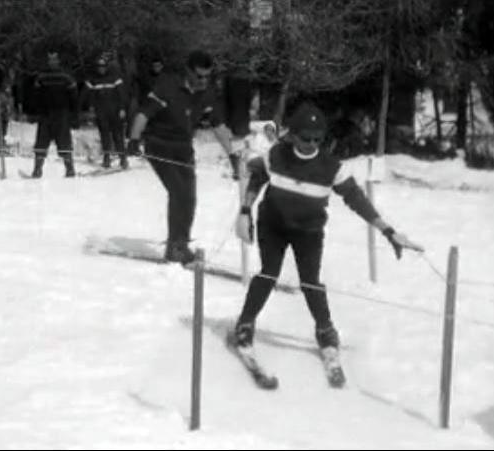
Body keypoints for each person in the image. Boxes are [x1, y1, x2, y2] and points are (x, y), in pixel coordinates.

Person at [232, 102, 423, 387]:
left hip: (308, 231)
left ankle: (326, 331)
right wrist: (245, 211)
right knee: (268, 273)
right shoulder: (276, 155)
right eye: (305, 138)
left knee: (310, 282)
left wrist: (388, 231)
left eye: (317, 139)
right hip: (273, 224)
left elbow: (357, 199)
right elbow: (257, 176)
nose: (311, 144)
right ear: (293, 135)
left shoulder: (330, 167)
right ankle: (245, 324)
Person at [128, 50, 238, 265]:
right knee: (178, 191)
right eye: (199, 76)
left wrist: (232, 154)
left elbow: (218, 125)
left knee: (189, 196)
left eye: (208, 76)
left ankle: (180, 244)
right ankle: (174, 247)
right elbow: (143, 113)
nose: (203, 80)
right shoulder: (168, 86)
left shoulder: (206, 94)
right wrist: (133, 139)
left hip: (183, 148)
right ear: (188, 72)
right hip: (158, 145)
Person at [30, 51, 79, 178]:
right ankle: (37, 169)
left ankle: (70, 169)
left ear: (58, 61)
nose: (52, 62)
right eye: (50, 59)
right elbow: (35, 96)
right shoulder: (41, 77)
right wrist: (34, 112)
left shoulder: (66, 77)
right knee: (41, 142)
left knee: (64, 142)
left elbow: (74, 97)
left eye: (54, 59)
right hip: (45, 114)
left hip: (62, 114)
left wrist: (74, 115)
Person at [80, 56, 128, 169]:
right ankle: (107, 158)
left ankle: (123, 159)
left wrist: (122, 108)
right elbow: (85, 95)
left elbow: (122, 95)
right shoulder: (93, 80)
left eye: (103, 66)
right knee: (104, 135)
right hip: (101, 112)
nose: (101, 68)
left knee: (118, 136)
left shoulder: (115, 78)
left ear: (107, 67)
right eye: (99, 66)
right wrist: (88, 108)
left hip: (115, 111)